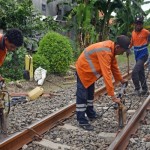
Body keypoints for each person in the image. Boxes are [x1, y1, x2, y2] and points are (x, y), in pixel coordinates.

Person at [75, 35, 130, 131]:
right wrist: (113, 96)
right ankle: (81, 120)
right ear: (118, 47)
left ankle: (90, 114)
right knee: (82, 96)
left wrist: (121, 80)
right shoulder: (105, 51)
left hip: (90, 73)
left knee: (90, 95)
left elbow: (114, 68)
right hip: (83, 70)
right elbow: (107, 74)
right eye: (123, 51)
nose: (123, 53)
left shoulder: (111, 50)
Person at [130, 16, 150, 96]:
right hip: (137, 56)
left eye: (140, 24)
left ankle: (137, 89)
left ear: (142, 24)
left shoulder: (146, 32)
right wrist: (128, 49)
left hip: (143, 55)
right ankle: (145, 89)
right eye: (137, 23)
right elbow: (131, 43)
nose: (139, 25)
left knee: (135, 72)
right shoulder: (133, 33)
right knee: (141, 72)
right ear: (135, 24)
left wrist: (147, 43)